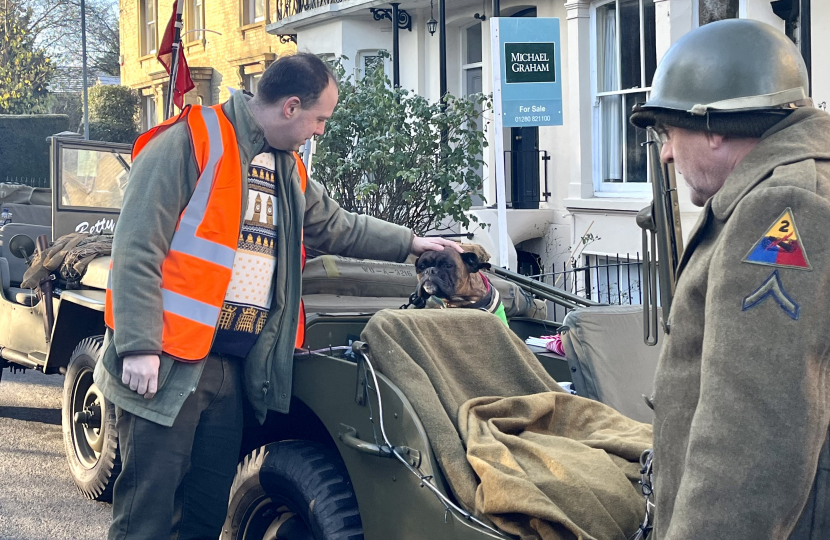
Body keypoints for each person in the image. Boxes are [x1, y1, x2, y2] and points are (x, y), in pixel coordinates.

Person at [93, 53, 462, 540]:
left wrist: (411, 243)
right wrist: (140, 345)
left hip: (229, 369)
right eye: (320, 119)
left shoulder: (286, 168)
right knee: (147, 516)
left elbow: (335, 226)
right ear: (291, 107)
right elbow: (137, 246)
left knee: (203, 515)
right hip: (166, 364)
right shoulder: (190, 141)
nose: (320, 132)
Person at [629, 19, 830, 539]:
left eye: (670, 133)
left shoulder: (782, 206)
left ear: (716, 126)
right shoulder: (807, 179)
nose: (667, 153)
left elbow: (751, 437)